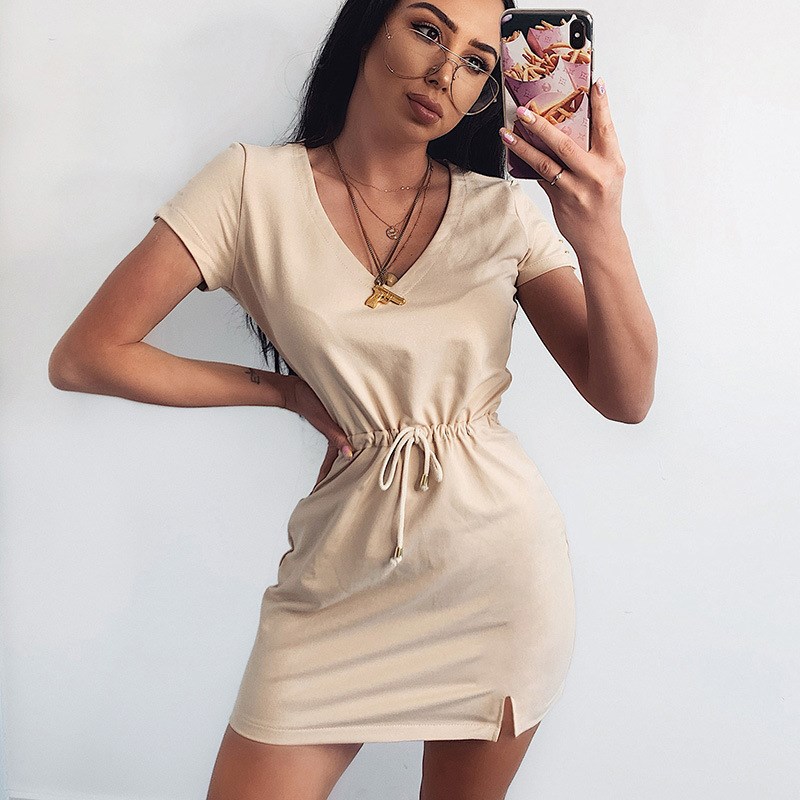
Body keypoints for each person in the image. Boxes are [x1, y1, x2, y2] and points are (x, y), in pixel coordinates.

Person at [48, 0, 657, 797]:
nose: (444, 72)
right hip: (337, 581)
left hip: (499, 578)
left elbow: (626, 396)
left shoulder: (502, 212)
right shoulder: (249, 186)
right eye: (427, 30)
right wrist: (281, 391)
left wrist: (599, 230)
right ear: (369, 26)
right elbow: (88, 355)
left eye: (477, 62)